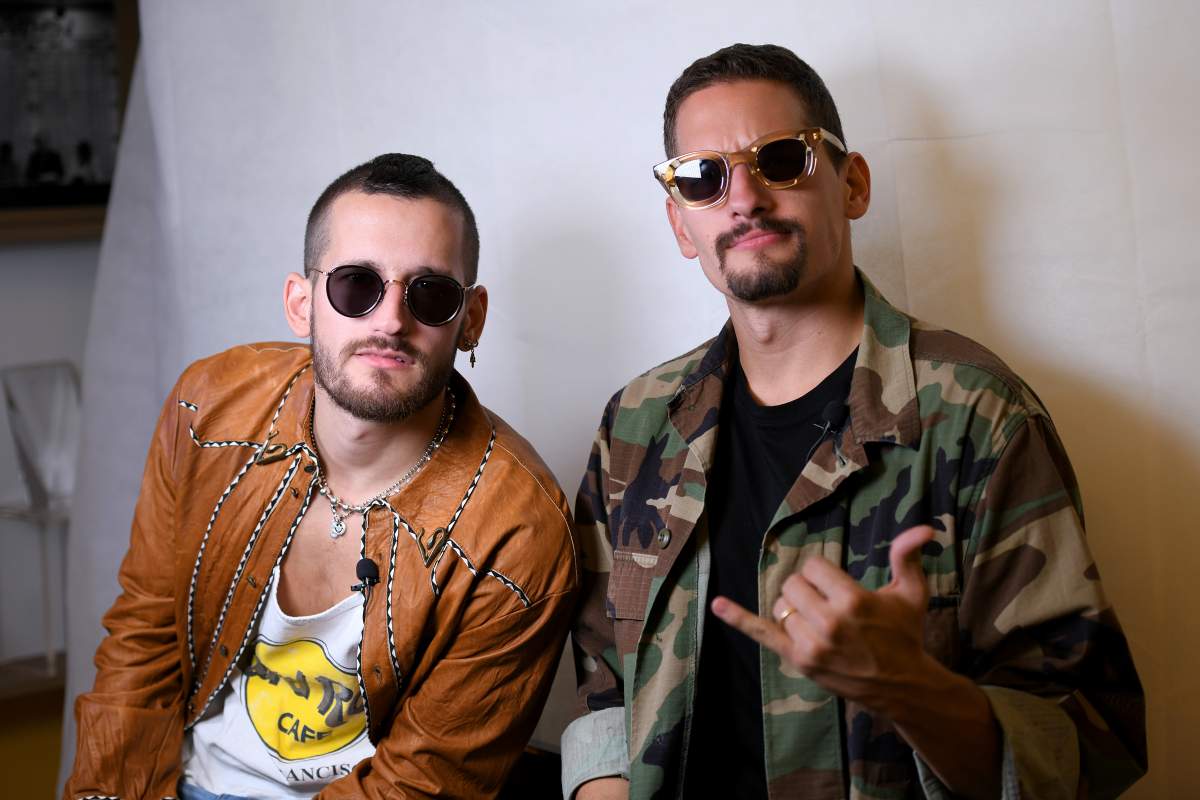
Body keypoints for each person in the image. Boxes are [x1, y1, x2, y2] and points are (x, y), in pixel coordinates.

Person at [563, 44, 1146, 800]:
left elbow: (1090, 744)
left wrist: (910, 690)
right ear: (681, 224)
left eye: (780, 160)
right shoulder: (636, 425)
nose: (744, 199)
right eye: (704, 177)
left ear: (853, 185)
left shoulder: (978, 417)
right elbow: (606, 693)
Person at [65, 154, 579, 799]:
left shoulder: (518, 534)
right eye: (357, 286)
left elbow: (424, 783)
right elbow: (144, 640)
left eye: (430, 293)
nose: (390, 321)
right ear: (301, 303)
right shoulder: (209, 411)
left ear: (470, 319)